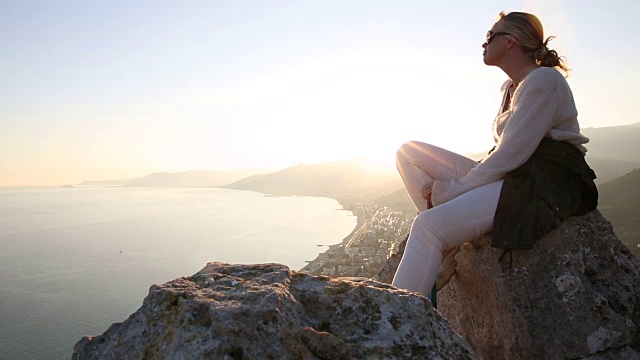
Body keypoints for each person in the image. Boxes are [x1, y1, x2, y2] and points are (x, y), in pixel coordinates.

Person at [391, 11, 597, 297]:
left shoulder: (543, 81)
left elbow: (512, 154)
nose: (484, 44)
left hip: (539, 181)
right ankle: (449, 242)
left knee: (427, 227)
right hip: (514, 172)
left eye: (490, 36)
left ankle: (401, 325)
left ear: (510, 41)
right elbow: (505, 156)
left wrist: (450, 192)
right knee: (408, 152)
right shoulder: (511, 87)